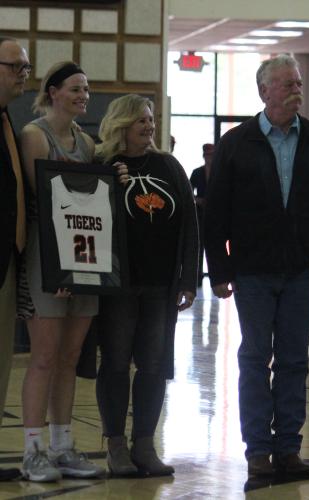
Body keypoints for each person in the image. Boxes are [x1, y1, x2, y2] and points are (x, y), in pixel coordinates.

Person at [204, 54, 309, 477]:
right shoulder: (235, 142)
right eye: (286, 84)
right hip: (252, 270)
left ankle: (288, 448)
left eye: (298, 83)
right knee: (254, 357)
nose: (295, 90)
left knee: (293, 361)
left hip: (302, 270)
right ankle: (257, 451)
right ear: (264, 91)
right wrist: (221, 271)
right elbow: (216, 214)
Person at [95, 94, 198, 477]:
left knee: (154, 365)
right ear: (121, 123)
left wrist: (188, 277)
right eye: (141, 120)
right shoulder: (103, 165)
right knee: (117, 363)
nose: (149, 126)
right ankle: (116, 446)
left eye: (151, 119)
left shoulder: (169, 166)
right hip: (118, 285)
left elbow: (190, 225)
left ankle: (144, 444)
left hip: (160, 285)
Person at [18, 61, 105, 482]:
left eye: (86, 89)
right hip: (47, 258)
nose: (82, 95)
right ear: (52, 92)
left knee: (70, 358)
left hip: (84, 256)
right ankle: (32, 450)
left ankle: (62, 445)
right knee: (44, 357)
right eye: (74, 88)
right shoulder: (35, 135)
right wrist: (60, 271)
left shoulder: (87, 142)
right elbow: (48, 203)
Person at [0, 36, 30, 482]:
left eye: (26, 67)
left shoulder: (10, 119)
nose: (25, 73)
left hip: (8, 258)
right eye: (16, 66)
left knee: (2, 359)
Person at [190, 143, 214, 286]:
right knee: (198, 247)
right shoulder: (197, 172)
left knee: (213, 246)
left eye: (211, 155)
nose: (209, 158)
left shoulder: (220, 171)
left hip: (216, 215)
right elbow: (189, 192)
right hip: (200, 213)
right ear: (204, 156)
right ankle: (197, 278)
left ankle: (215, 277)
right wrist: (198, 200)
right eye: (207, 155)